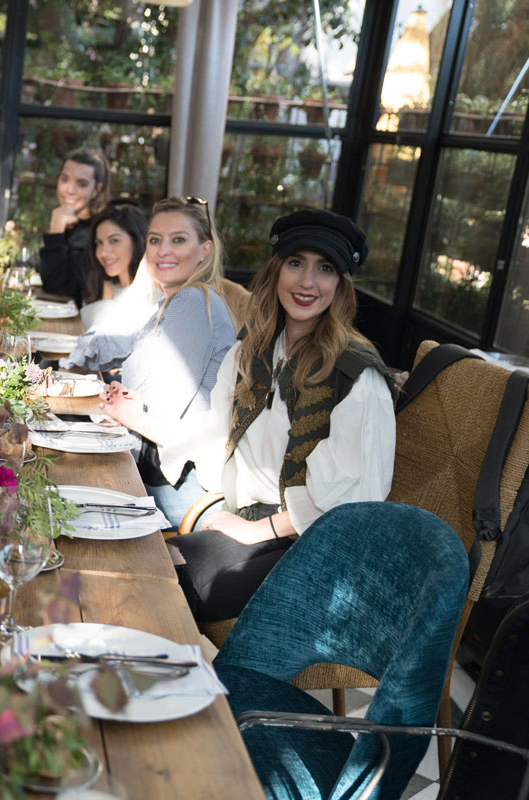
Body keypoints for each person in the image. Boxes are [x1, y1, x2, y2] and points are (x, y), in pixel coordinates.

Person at [99, 209, 396, 623]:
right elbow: (214, 433)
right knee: (141, 562)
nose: (307, 282)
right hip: (251, 522)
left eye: (325, 269)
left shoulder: (355, 375)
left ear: (341, 285)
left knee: (169, 590)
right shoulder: (253, 352)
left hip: (318, 548)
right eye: (296, 264)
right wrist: (141, 421)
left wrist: (262, 530)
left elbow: (353, 502)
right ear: (276, 271)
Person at [66, 196, 235, 525]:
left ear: (205, 250)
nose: (163, 250)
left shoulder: (193, 302)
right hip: (149, 471)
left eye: (179, 240)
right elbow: (118, 344)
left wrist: (112, 389)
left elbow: (146, 412)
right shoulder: (176, 300)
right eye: (155, 240)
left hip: (174, 492)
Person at [38, 149, 112, 306]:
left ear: (96, 190)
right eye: (64, 179)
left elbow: (57, 287)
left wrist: (56, 229)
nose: (69, 190)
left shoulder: (98, 232)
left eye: (82, 184)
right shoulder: (70, 223)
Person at [74, 201, 154, 331]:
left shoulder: (149, 293)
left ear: (136, 242)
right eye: (99, 243)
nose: (103, 252)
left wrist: (106, 302)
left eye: (114, 241)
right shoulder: (101, 284)